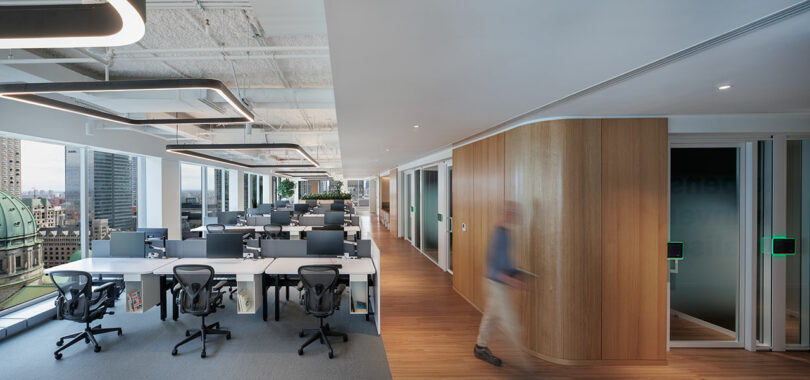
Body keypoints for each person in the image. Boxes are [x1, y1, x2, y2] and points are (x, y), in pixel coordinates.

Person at [473, 201, 528, 369]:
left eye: (515, 212)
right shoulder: (499, 234)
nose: (514, 216)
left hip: (497, 283)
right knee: (511, 323)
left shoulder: (506, 233)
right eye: (511, 212)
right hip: (496, 284)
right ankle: (526, 366)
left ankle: (480, 347)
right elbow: (493, 264)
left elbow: (504, 261)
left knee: (491, 316)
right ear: (505, 213)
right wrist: (510, 279)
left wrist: (516, 272)